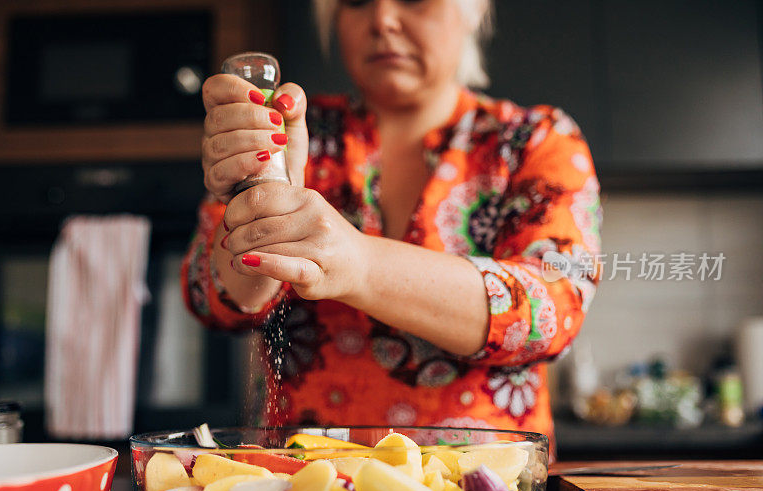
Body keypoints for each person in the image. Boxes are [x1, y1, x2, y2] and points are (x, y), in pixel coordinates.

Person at [182, 0, 601, 450]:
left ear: (473, 9)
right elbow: (213, 299)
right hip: (305, 489)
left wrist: (359, 264)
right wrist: (259, 201)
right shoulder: (286, 136)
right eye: (357, 2)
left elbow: (552, 307)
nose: (382, 19)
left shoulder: (536, 140)